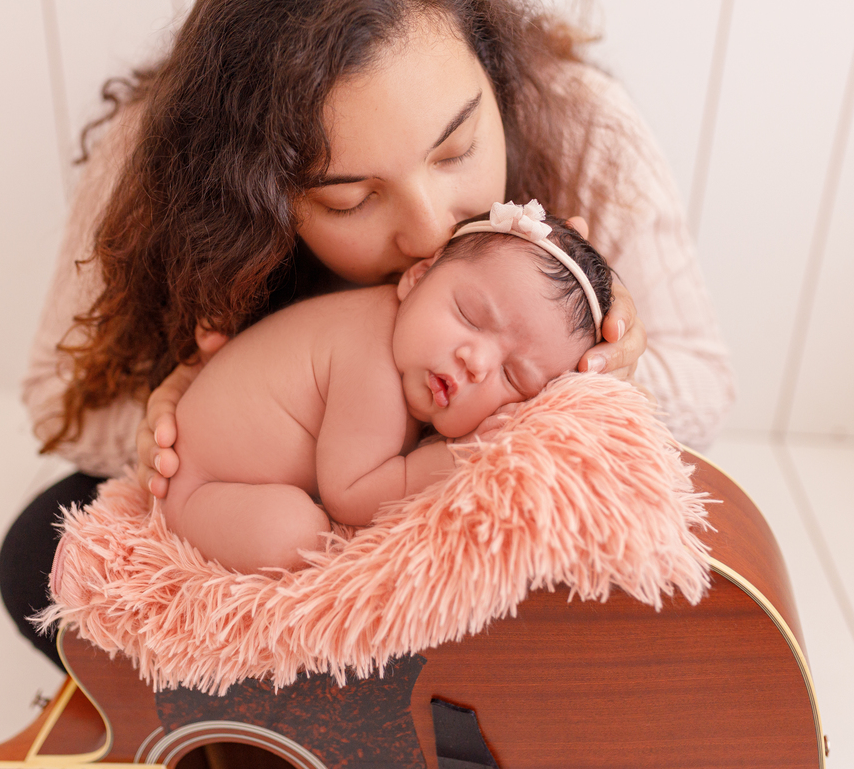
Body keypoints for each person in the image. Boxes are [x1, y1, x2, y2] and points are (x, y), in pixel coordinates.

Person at [1, 0, 734, 670]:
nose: (425, 233)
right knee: (40, 553)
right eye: (350, 200)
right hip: (258, 495)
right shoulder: (154, 153)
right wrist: (161, 418)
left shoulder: (581, 122)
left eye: (457, 151)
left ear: (491, 66)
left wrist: (592, 377)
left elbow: (704, 386)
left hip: (398, 509)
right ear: (250, 191)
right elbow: (52, 394)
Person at [159, 203, 612, 573]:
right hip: (198, 489)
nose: (476, 362)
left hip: (220, 474)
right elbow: (351, 493)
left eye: (513, 378)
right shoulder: (370, 357)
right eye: (470, 316)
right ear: (417, 277)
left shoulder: (406, 346)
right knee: (296, 534)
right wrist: (464, 452)